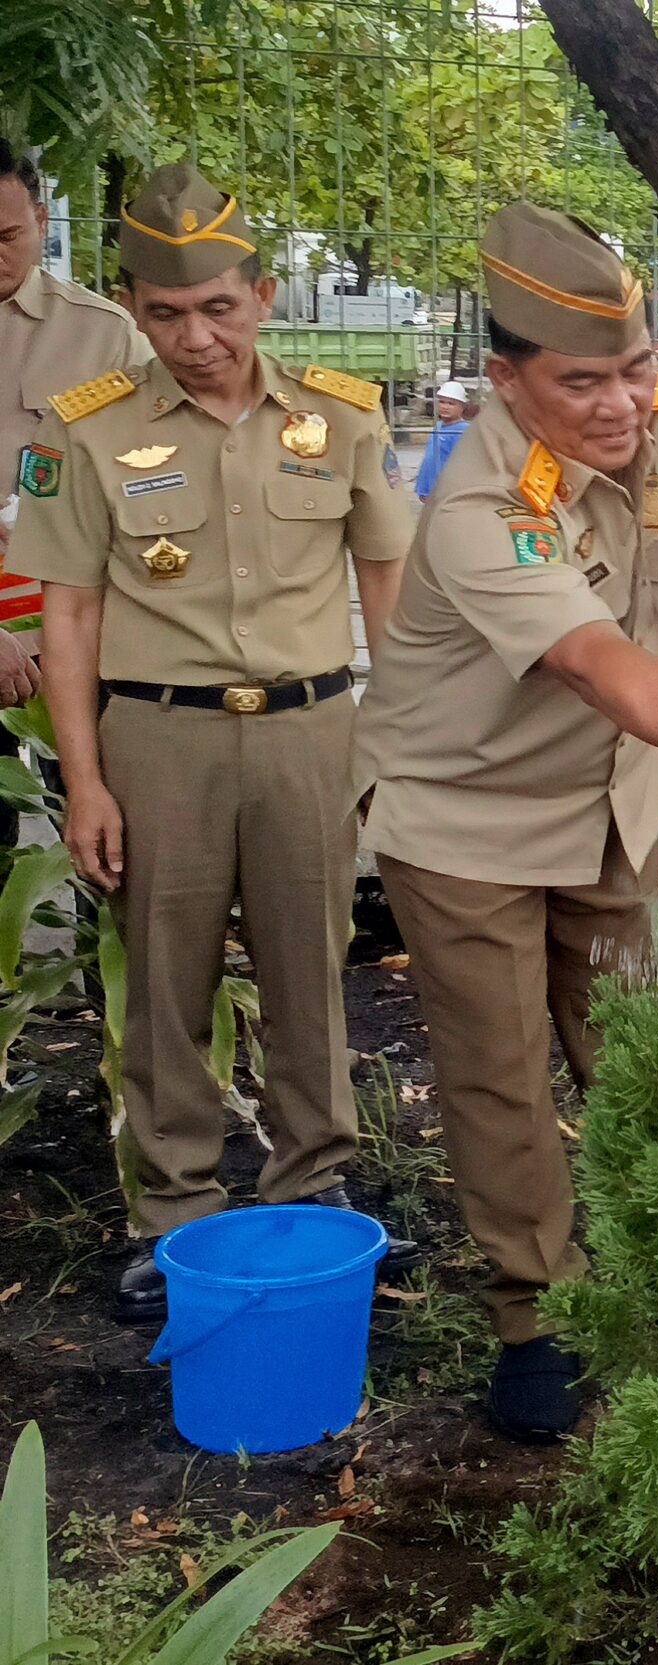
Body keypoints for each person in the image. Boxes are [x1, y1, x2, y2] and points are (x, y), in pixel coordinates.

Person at [356, 202, 658, 1442]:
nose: (620, 405)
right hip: (464, 819)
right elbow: (594, 660)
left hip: (613, 802)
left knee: (632, 1049)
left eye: (632, 369)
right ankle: (537, 1317)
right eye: (581, 382)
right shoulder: (473, 500)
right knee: (501, 1075)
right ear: (506, 378)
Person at [9, 163, 416, 1323]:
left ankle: (316, 1191)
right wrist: (83, 780)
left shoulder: (339, 415)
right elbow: (69, 612)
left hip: (309, 733)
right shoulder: (88, 430)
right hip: (160, 743)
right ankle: (173, 1216)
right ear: (133, 306)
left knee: (310, 980)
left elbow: (384, 585)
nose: (196, 336)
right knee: (165, 988)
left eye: (220, 308)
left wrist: (389, 740)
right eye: (168, 312)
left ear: (263, 292)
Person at [0, 138, 148, 846]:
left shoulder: (104, 338)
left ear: (39, 216)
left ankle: (100, 957)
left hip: (80, 625)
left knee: (104, 833)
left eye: (6, 235)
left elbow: (156, 480)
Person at [413, 379, 472, 501]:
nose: (445, 407)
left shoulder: (462, 431)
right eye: (442, 402)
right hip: (429, 487)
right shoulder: (439, 426)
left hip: (445, 491)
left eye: (451, 403)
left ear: (462, 407)